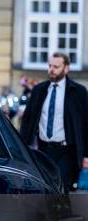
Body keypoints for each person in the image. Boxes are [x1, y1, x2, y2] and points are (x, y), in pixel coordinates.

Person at [20, 52, 88, 192]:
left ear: (66, 68)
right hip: (43, 149)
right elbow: (28, 120)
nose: (51, 69)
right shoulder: (39, 90)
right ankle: (50, 213)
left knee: (62, 188)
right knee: (45, 187)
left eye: (56, 66)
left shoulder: (78, 92)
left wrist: (86, 154)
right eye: (50, 66)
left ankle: (62, 213)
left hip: (67, 150)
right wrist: (22, 147)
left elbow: (85, 124)